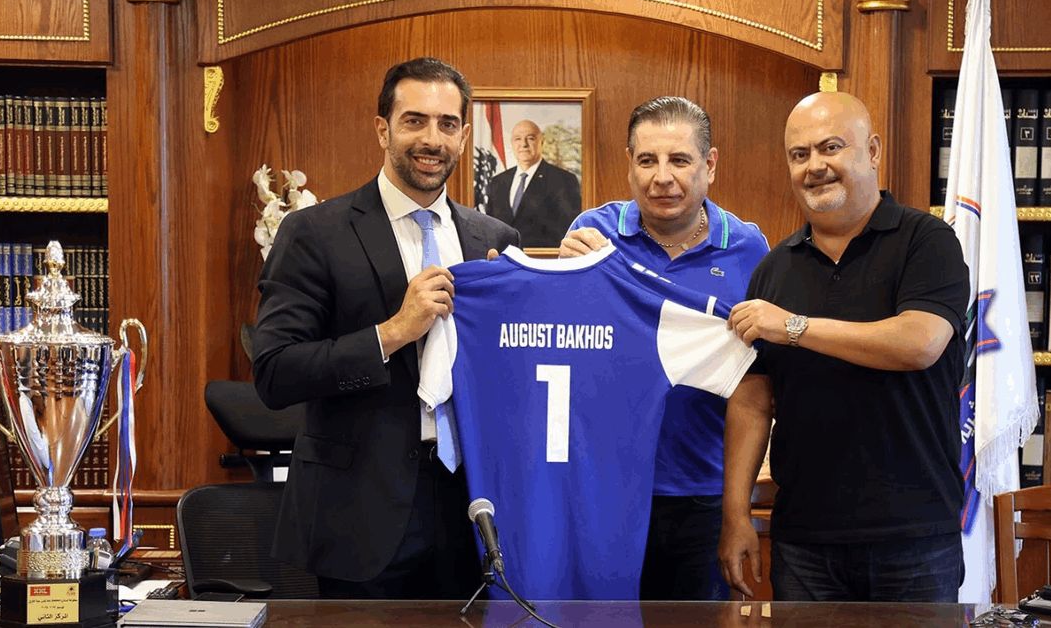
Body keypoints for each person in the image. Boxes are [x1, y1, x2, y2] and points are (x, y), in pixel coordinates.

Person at [252, 57, 519, 599]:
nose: (432, 139)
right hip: (358, 516)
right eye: (414, 121)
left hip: (472, 509)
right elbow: (275, 372)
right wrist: (393, 331)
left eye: (447, 124)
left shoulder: (495, 239)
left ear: (464, 135)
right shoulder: (314, 232)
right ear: (383, 129)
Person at [718, 92, 970, 602]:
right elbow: (752, 403)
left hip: (915, 539)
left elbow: (919, 343)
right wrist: (735, 515)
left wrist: (793, 326)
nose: (815, 166)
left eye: (831, 147)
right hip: (804, 543)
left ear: (872, 151)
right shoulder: (773, 270)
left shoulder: (927, 241)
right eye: (799, 154)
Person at [560, 96, 769, 600]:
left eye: (679, 160)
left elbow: (758, 383)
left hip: (705, 494)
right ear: (628, 164)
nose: (662, 177)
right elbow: (560, 346)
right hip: (604, 491)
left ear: (709, 164)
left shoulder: (750, 249)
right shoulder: (590, 234)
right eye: (647, 160)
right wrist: (563, 280)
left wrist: (737, 511)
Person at [485, 119, 582, 247]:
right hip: (502, 257)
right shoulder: (498, 182)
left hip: (542, 258)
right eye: (518, 139)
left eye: (530, 138)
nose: (523, 144)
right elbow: (490, 227)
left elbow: (568, 231)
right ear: (512, 144)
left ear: (542, 142)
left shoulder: (563, 180)